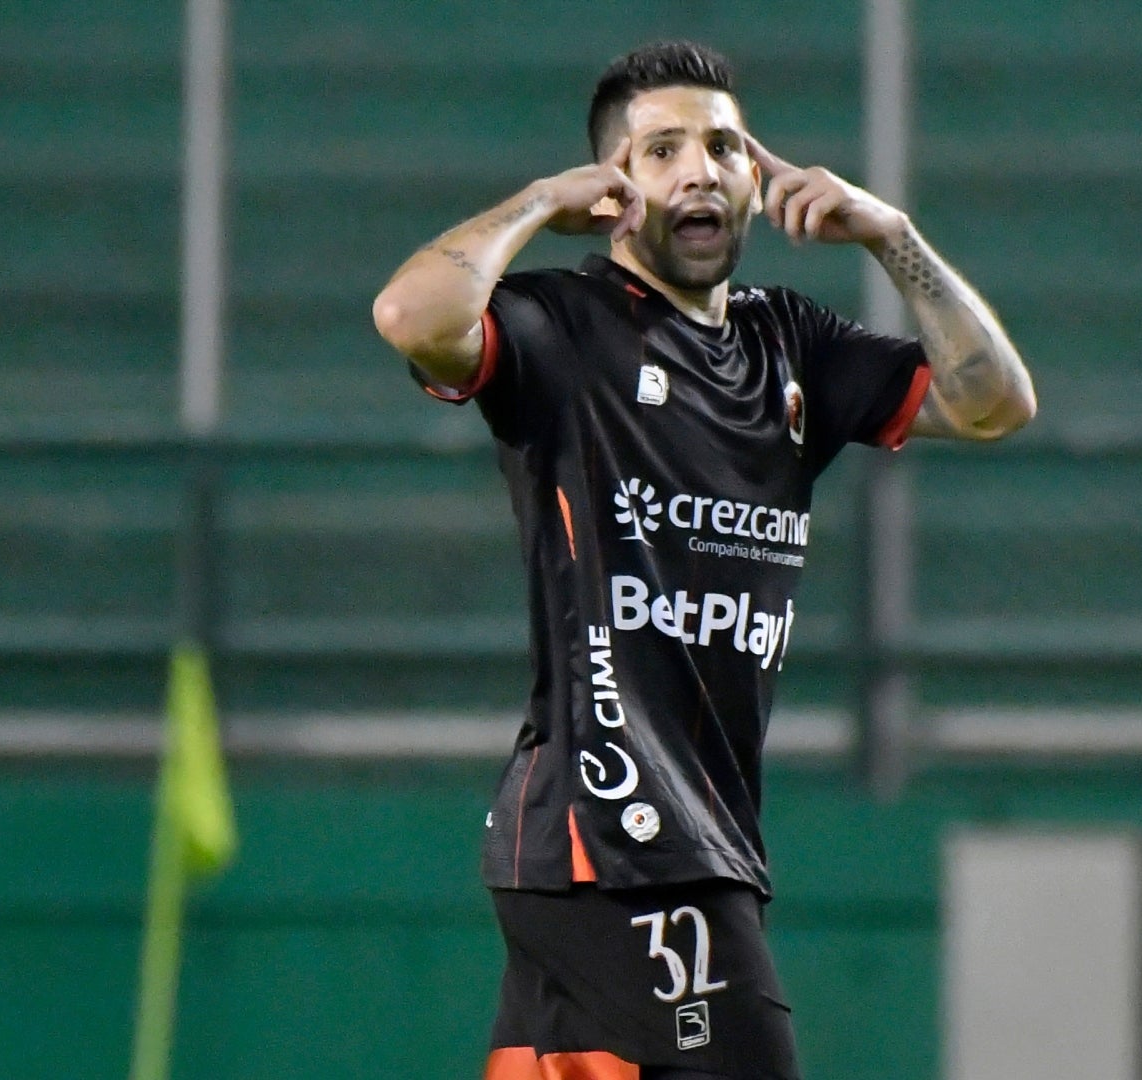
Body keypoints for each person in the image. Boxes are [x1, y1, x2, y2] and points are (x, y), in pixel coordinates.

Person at [372, 40, 1034, 1080]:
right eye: (662, 149)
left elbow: (995, 403)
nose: (698, 170)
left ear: (754, 182)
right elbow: (412, 316)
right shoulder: (564, 329)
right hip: (619, 833)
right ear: (618, 187)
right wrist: (543, 199)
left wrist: (892, 234)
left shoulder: (793, 347)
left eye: (724, 146)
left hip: (677, 838)